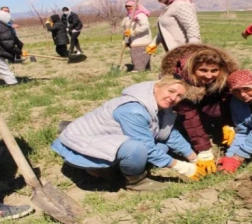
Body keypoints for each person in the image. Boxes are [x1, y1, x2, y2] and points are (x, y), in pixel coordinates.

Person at [50, 76, 208, 191]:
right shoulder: (134, 109)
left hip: (104, 142)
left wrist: (194, 159)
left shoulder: (159, 106)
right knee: (137, 149)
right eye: (171, 90)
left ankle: (112, 169)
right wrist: (183, 168)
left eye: (179, 96)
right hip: (79, 146)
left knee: (162, 147)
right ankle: (134, 181)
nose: (173, 97)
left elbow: (169, 134)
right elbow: (146, 146)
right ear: (156, 86)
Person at [160, 43, 239, 174]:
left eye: (214, 71)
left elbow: (226, 101)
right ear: (192, 69)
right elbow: (190, 117)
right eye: (203, 70)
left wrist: (227, 123)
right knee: (184, 120)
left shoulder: (225, 76)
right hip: (184, 110)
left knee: (217, 110)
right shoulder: (179, 81)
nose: (209, 76)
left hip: (208, 99)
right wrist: (204, 151)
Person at [122, 0, 152, 72]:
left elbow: (145, 26)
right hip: (133, 41)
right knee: (136, 57)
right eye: (126, 6)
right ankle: (145, 72)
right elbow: (126, 31)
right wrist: (125, 41)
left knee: (139, 58)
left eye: (130, 6)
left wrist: (134, 32)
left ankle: (139, 71)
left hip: (142, 41)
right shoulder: (128, 17)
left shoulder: (140, 15)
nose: (127, 7)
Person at [0, 11, 22, 86]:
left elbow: (7, 42)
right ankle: (12, 82)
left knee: (2, 67)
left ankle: (12, 82)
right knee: (2, 67)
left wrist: (17, 50)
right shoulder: (3, 27)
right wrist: (18, 51)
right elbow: (7, 42)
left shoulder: (2, 27)